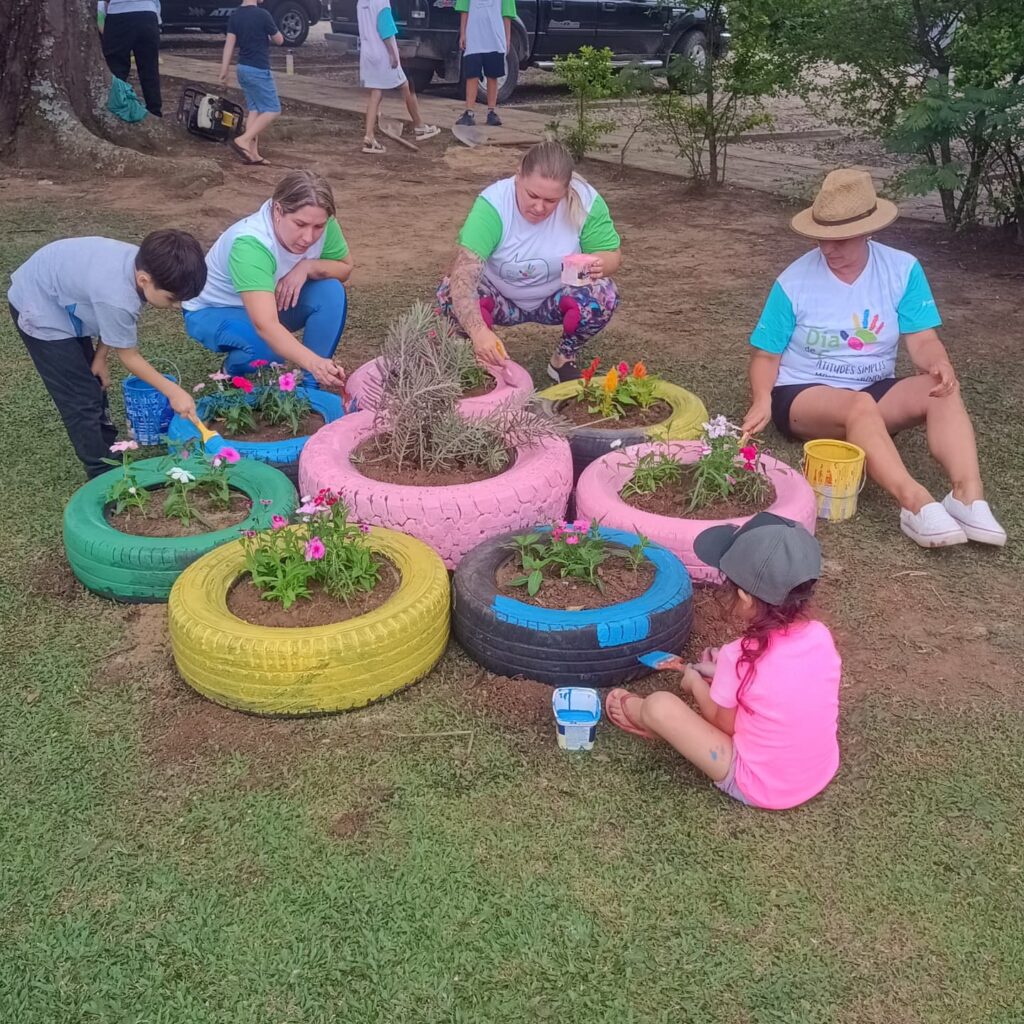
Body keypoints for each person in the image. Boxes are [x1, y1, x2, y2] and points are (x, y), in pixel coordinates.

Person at [742, 168, 1005, 549]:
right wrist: (762, 398)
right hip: (802, 393)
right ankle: (916, 504)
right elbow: (767, 356)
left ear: (869, 231)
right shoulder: (793, 280)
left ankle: (967, 496)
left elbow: (923, 339)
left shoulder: (902, 269)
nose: (828, 249)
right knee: (859, 405)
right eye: (821, 239)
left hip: (875, 388)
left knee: (940, 387)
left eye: (841, 240)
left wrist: (938, 362)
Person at [606, 513, 841, 811]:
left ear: (744, 597)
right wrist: (724, 674)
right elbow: (783, 684)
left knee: (660, 706)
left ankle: (643, 715)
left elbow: (723, 723)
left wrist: (695, 685)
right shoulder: (820, 636)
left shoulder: (738, 657)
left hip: (759, 784)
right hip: (819, 770)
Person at [8, 231, 207, 479]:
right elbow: (129, 356)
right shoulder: (117, 297)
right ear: (144, 279)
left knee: (92, 383)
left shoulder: (143, 266)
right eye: (172, 298)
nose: (177, 306)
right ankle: (101, 472)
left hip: (63, 288)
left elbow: (109, 321)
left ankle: (109, 448)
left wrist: (100, 357)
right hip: (38, 303)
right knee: (79, 397)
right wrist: (173, 391)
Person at [438, 140, 622, 383]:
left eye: (551, 201)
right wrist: (478, 331)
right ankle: (478, 359)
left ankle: (563, 359)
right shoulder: (493, 205)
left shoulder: (587, 201)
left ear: (566, 191)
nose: (539, 207)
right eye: (532, 195)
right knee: (450, 292)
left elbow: (612, 255)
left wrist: (598, 264)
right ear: (518, 176)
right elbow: (463, 272)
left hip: (554, 297)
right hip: (499, 296)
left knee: (603, 294)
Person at [183, 170, 350, 388]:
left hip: (268, 299)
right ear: (278, 210)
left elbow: (345, 268)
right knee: (266, 350)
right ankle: (230, 374)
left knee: (330, 292)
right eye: (300, 224)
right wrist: (314, 362)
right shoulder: (251, 244)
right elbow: (266, 325)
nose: (309, 237)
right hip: (213, 309)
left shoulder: (324, 222)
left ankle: (311, 385)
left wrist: (308, 266)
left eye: (318, 227)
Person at [357, 0, 440, 154]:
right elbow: (386, 30)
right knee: (405, 85)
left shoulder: (361, 2)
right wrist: (392, 54)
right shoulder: (381, 2)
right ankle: (419, 126)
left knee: (376, 93)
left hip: (368, 52)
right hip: (383, 53)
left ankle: (369, 137)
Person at [218, 0, 284, 165]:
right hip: (259, 69)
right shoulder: (263, 14)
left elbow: (229, 45)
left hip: (242, 69)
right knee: (273, 109)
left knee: (255, 109)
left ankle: (252, 154)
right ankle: (243, 140)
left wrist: (224, 69)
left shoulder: (235, 15)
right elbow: (279, 40)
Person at [455, 0, 516, 128]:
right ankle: (469, 112)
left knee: (492, 75)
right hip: (474, 37)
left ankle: (491, 111)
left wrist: (507, 38)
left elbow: (507, 13)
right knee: (472, 75)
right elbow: (464, 9)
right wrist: (463, 34)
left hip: (495, 38)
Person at [98, 0, 163, 118]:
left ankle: (117, 109)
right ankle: (155, 111)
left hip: (119, 12)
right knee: (149, 68)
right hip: (148, 12)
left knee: (116, 66)